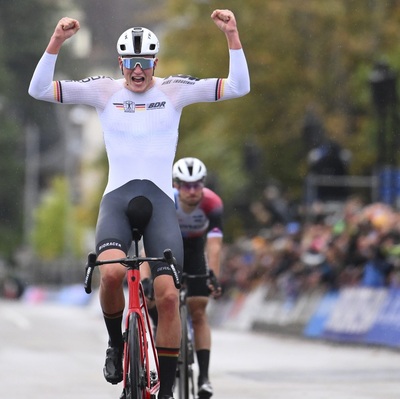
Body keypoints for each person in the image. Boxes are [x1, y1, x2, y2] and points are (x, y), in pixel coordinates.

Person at [28, 10, 250, 399]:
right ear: (121, 64)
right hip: (117, 200)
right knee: (111, 275)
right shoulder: (103, 91)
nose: (137, 71)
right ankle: (116, 344)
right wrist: (56, 43)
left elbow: (238, 88)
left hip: (161, 204)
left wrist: (232, 35)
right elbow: (39, 91)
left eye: (144, 64)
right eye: (130, 64)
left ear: (155, 64)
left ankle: (164, 389)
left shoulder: (175, 90)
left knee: (166, 296)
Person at [172, 157, 223, 399]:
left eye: (197, 185)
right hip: (169, 249)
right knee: (159, 302)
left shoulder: (212, 203)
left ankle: (204, 377)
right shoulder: (167, 201)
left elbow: (214, 245)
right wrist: (148, 278)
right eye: (185, 185)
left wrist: (212, 274)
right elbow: (149, 246)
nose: (192, 191)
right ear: (176, 185)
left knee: (199, 310)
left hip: (194, 249)